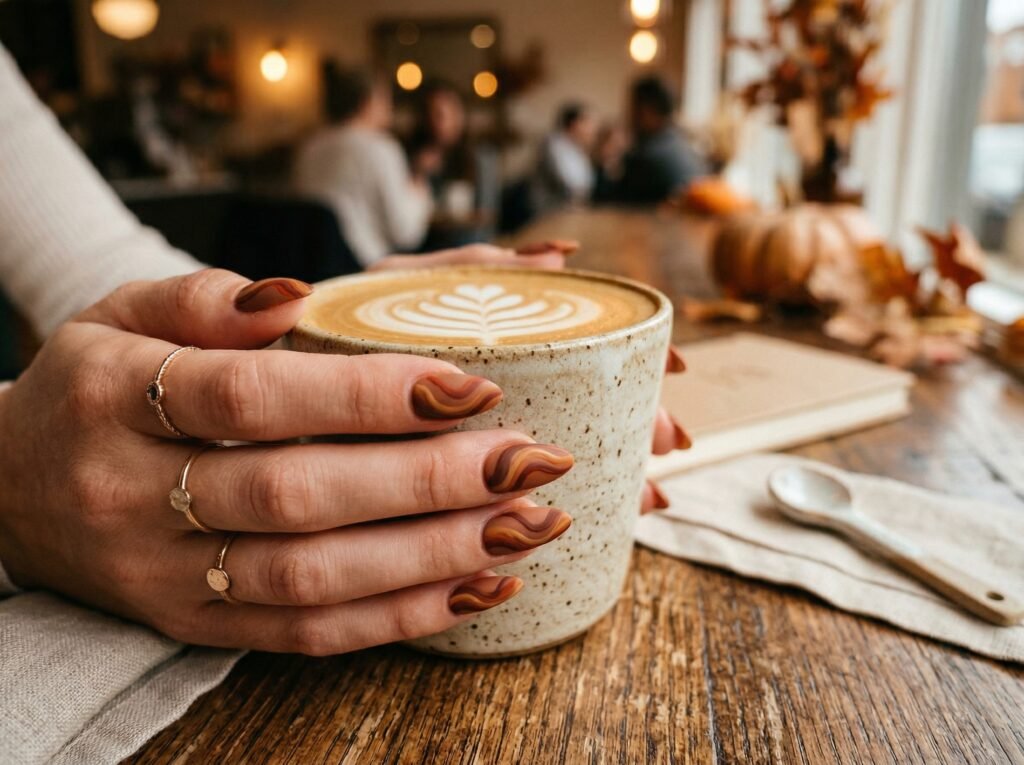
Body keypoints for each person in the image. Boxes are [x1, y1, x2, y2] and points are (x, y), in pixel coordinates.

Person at [0, 41, 685, 657]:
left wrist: (292, 326)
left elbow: (89, 259)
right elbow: (411, 219)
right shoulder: (385, 151)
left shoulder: (311, 145)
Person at [293, 62, 432, 267]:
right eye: (386, 99)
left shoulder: (309, 146)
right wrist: (420, 189)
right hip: (364, 268)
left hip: (308, 268)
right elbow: (406, 234)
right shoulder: (381, 148)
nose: (390, 107)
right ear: (368, 101)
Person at [405, 80, 501, 248]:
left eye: (446, 115)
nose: (439, 123)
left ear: (461, 116)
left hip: (469, 244)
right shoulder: (416, 157)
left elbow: (488, 218)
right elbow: (409, 221)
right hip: (427, 245)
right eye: (434, 114)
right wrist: (419, 173)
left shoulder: (481, 158)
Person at [597, 76, 706, 205]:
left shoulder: (646, 155)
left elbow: (607, 205)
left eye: (632, 108)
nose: (628, 116)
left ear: (647, 110)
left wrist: (603, 162)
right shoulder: (684, 146)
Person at [530, 102, 598, 214]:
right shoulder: (554, 144)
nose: (592, 128)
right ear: (575, 124)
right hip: (548, 214)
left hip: (569, 211)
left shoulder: (577, 148)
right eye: (588, 122)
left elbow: (587, 185)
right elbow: (569, 185)